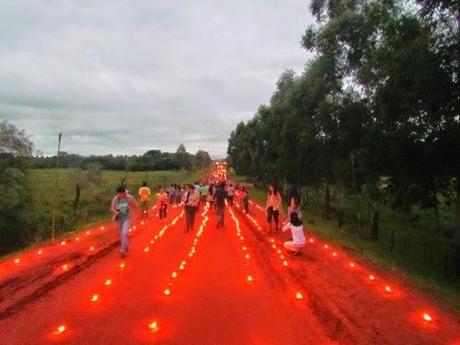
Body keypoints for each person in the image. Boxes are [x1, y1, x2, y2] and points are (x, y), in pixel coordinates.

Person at [111, 186, 137, 257]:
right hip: (118, 218)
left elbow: (135, 205)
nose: (121, 195)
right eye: (119, 194)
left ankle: (122, 249)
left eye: (122, 193)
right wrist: (115, 212)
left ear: (124, 192)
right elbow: (112, 208)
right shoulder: (115, 199)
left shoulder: (130, 197)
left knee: (125, 232)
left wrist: (132, 209)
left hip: (127, 218)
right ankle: (125, 245)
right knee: (121, 233)